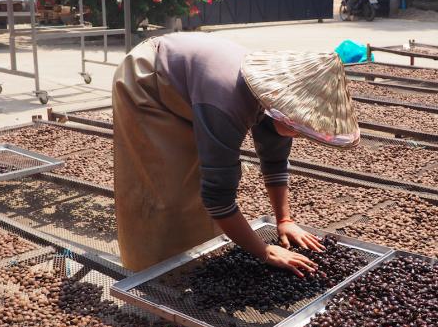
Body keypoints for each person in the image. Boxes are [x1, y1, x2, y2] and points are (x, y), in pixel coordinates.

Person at [112, 33, 360, 275]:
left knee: (202, 180)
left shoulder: (271, 98)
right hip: (148, 80)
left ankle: (197, 264)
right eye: (300, 128)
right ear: (284, 110)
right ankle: (149, 274)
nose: (300, 134)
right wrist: (265, 252)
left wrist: (284, 220)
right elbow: (217, 199)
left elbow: (274, 161)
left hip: (195, 87)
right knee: (167, 190)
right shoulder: (227, 100)